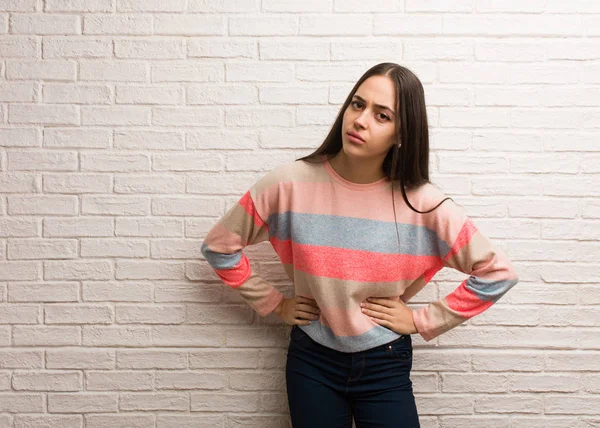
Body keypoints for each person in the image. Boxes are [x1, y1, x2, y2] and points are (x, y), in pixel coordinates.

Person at [201, 62, 519, 428]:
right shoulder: (287, 185)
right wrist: (276, 304)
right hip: (312, 360)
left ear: (402, 133)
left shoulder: (424, 204)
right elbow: (219, 246)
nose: (361, 120)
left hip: (385, 360)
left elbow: (498, 273)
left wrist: (421, 320)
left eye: (382, 115)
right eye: (357, 104)